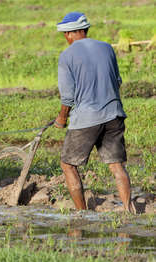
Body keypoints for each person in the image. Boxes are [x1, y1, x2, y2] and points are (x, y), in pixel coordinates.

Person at [54, 12, 135, 213]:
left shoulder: (67, 55)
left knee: (68, 164)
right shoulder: (107, 48)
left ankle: (81, 213)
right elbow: (117, 81)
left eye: (67, 33)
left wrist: (62, 118)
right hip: (115, 114)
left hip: (86, 119)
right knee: (117, 166)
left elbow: (68, 97)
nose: (66, 38)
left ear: (75, 32)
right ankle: (127, 210)